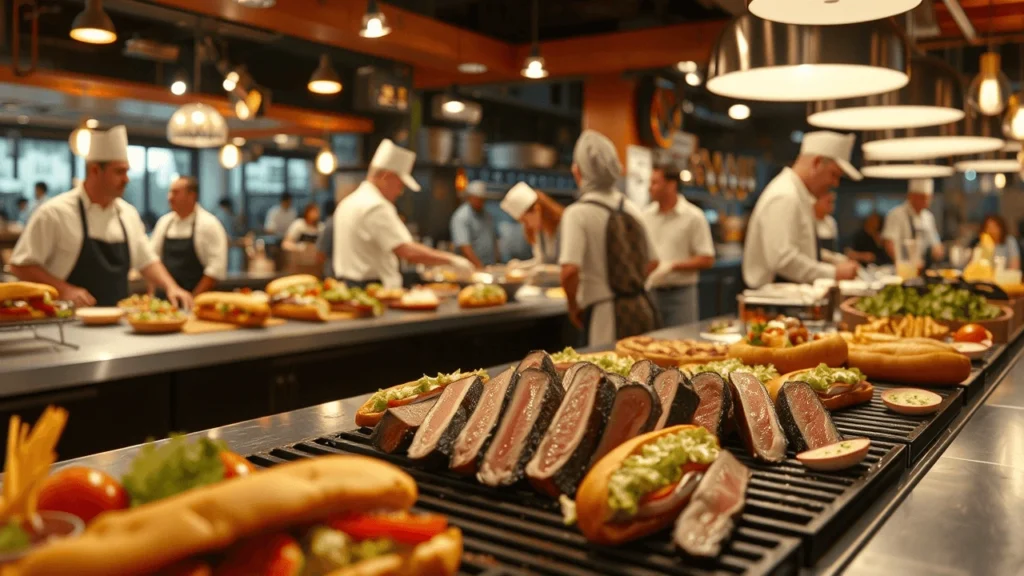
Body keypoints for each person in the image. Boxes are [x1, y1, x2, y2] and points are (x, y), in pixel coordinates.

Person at [9, 126, 193, 309]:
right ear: (95, 170)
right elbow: (20, 266)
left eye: (127, 171)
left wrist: (171, 287)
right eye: (119, 172)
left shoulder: (128, 214)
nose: (126, 179)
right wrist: (64, 289)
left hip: (117, 323)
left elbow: (146, 260)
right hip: (65, 321)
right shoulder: (54, 213)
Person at [559, 129, 659, 346]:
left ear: (579, 172)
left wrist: (573, 306)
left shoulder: (577, 213)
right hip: (642, 309)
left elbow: (569, 271)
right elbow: (653, 261)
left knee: (606, 373)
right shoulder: (631, 207)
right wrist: (630, 283)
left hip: (605, 316)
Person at [333, 139, 473, 288]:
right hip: (374, 289)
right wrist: (452, 260)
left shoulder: (347, 202)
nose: (400, 192)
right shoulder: (376, 205)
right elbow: (407, 251)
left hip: (349, 287)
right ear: (385, 177)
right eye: (399, 184)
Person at [743, 131, 861, 289]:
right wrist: (833, 273)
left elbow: (801, 249)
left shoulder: (798, 195)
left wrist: (832, 260)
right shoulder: (785, 195)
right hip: (774, 302)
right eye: (834, 175)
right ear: (817, 163)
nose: (835, 183)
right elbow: (782, 259)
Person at [641, 162, 715, 327]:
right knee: (648, 344)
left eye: (655, 182)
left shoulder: (694, 217)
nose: (649, 188)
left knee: (680, 344)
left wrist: (672, 266)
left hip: (681, 295)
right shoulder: (645, 216)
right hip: (651, 293)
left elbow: (707, 259)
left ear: (671, 185)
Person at [149, 176, 228, 296]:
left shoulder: (209, 224)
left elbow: (216, 270)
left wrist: (192, 300)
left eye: (175, 192)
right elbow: (152, 260)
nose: (169, 197)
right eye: (170, 192)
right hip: (164, 301)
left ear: (192, 196)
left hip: (196, 300)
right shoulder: (164, 222)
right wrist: (151, 297)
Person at [882, 178, 945, 268]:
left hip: (921, 266)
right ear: (911, 196)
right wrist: (900, 263)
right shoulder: (896, 214)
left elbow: (935, 241)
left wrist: (937, 250)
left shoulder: (928, 217)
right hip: (901, 266)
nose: (926, 202)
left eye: (928, 198)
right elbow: (889, 242)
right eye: (922, 198)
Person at [499, 181, 563, 266]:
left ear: (537, 210)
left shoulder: (564, 226)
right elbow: (539, 261)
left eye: (525, 221)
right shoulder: (540, 232)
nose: (526, 225)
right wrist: (520, 266)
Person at [450, 181, 498, 269]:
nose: (481, 201)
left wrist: (497, 262)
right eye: (478, 198)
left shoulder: (487, 215)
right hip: (470, 267)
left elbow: (493, 240)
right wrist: (479, 266)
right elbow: (464, 247)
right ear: (469, 197)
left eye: (483, 199)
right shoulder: (461, 216)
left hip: (489, 265)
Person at [814, 191, 845, 264]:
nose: (831, 206)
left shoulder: (831, 222)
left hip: (830, 264)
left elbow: (834, 247)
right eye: (828, 202)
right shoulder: (809, 220)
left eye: (833, 202)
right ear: (816, 201)